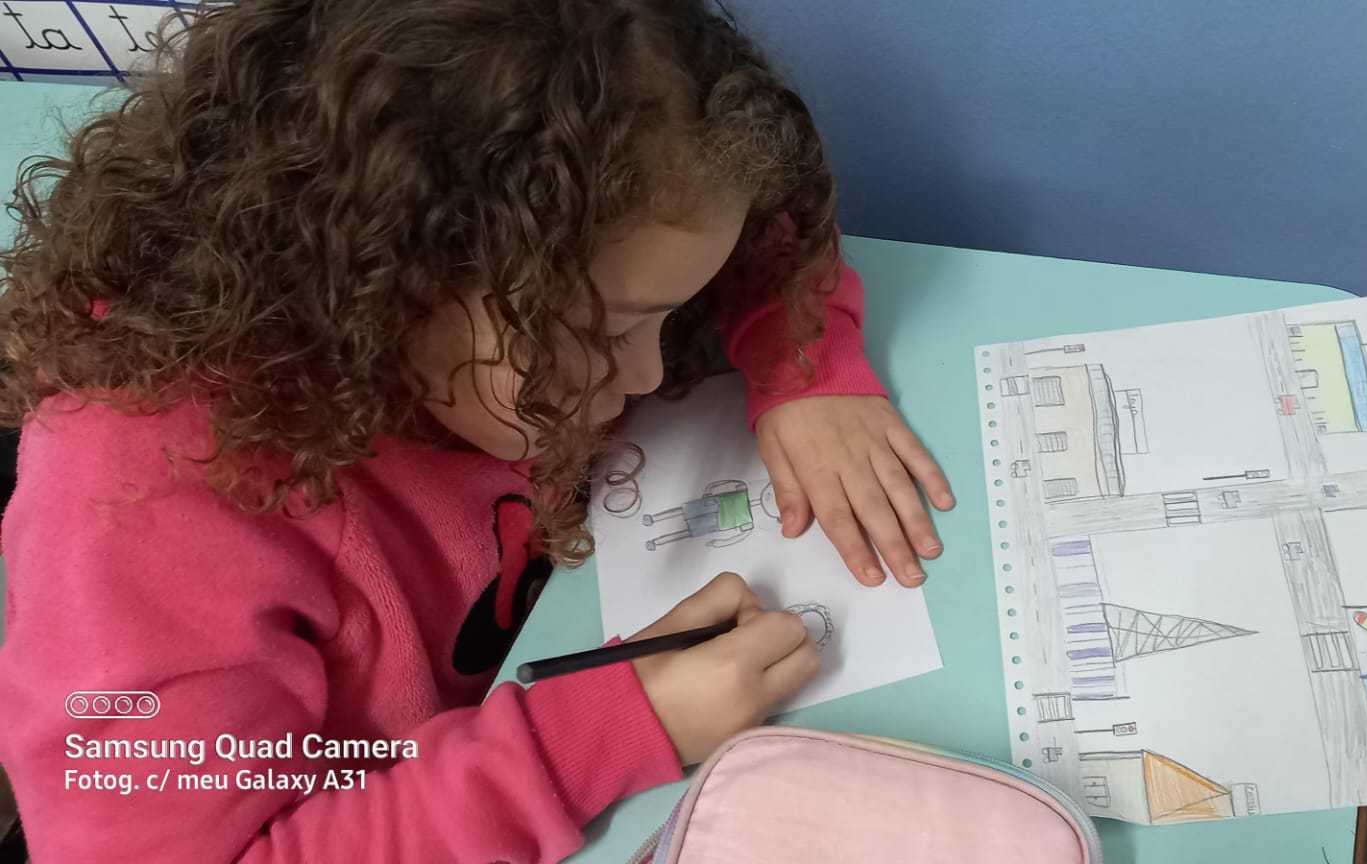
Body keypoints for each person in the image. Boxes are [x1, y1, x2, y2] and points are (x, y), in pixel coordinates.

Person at [0, 0, 953, 860]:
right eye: (606, 333)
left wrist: (800, 367)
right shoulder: (145, 500)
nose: (651, 373)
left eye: (668, 320)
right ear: (385, 281)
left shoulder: (578, 245)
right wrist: (594, 738)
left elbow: (758, 227)